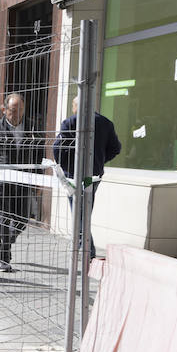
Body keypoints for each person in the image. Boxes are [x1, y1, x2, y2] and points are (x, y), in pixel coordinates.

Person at [52, 95, 122, 259]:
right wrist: (101, 160)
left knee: (79, 212)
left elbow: (57, 148)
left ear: (78, 106)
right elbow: (115, 148)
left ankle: (87, 251)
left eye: (73, 105)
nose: (72, 109)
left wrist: (65, 167)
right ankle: (83, 248)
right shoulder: (106, 123)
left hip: (74, 176)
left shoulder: (71, 122)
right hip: (93, 175)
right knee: (84, 210)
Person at [0, 93, 43, 273]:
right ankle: (4, 257)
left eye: (20, 110)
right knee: (1, 223)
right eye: (13, 111)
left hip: (23, 181)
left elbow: (38, 157)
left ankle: (7, 240)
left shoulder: (32, 128)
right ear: (4, 109)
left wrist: (37, 181)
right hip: (1, 183)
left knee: (22, 220)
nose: (16, 115)